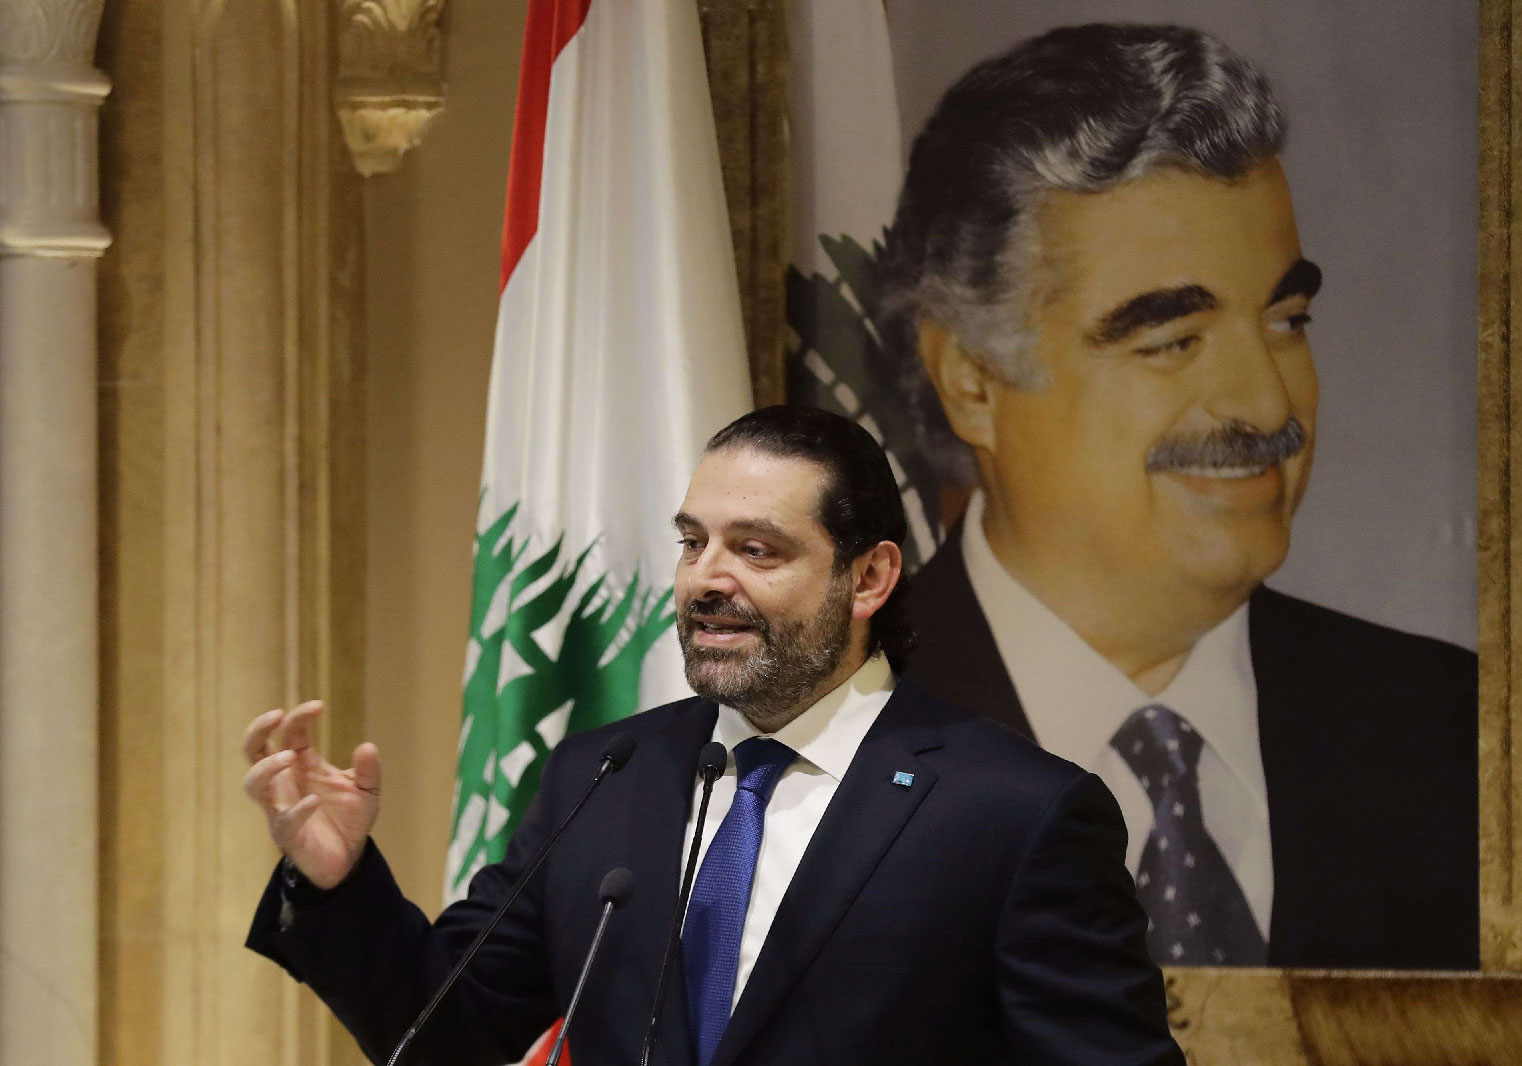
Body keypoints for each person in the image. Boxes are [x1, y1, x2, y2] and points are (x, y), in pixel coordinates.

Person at [242, 406, 1184, 1066]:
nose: (704, 579)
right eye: (694, 542)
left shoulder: (1014, 813)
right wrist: (339, 884)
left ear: (868, 579)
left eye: (757, 549)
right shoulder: (605, 777)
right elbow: (450, 1033)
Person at [877, 23, 1478, 970]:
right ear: (973, 383)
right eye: (1171, 339)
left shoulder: (1458, 738)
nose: (1265, 401)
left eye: (1288, 320)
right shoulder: (818, 743)